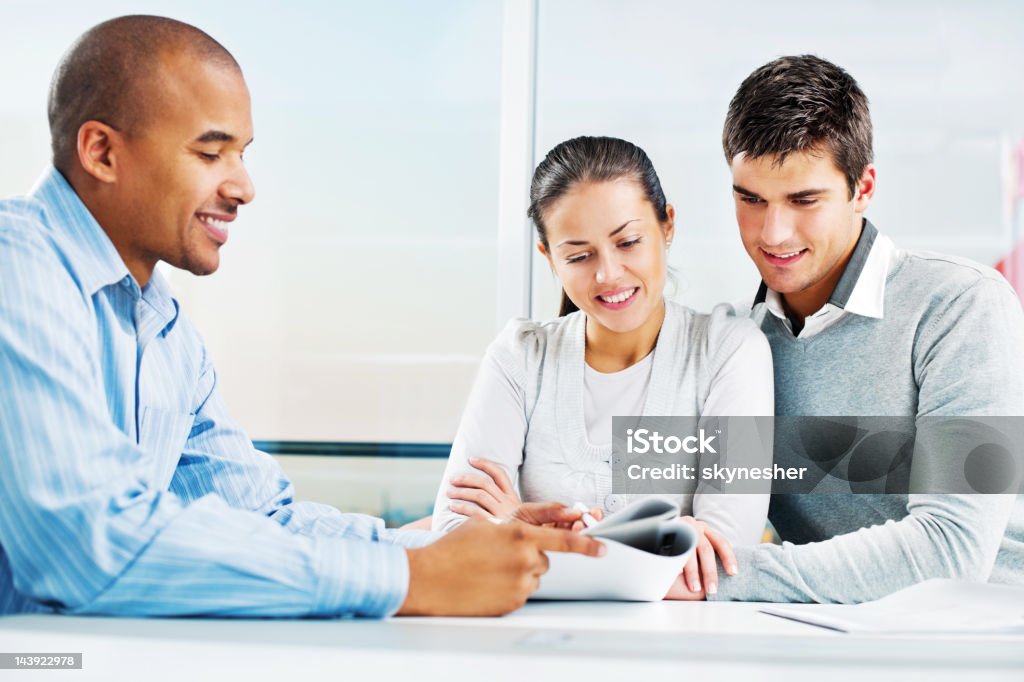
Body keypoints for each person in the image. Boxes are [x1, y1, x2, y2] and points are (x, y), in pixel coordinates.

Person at [0, 15, 605, 619]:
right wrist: (410, 576)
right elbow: (81, 546)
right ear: (102, 152)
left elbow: (261, 515)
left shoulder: (164, 331)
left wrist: (456, 549)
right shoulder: (19, 269)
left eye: (241, 154)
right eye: (211, 153)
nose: (243, 187)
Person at [711, 55, 1024, 603]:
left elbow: (952, 551)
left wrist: (718, 576)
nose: (774, 232)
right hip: (834, 637)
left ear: (863, 188)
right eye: (750, 199)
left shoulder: (962, 306)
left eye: (804, 200)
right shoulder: (733, 339)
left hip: (990, 638)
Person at [431, 136, 774, 597]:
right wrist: (653, 552)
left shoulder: (732, 351)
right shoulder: (518, 356)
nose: (608, 274)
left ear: (667, 225)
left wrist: (520, 532)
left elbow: (724, 564)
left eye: (628, 241)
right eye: (578, 255)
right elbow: (453, 539)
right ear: (548, 257)